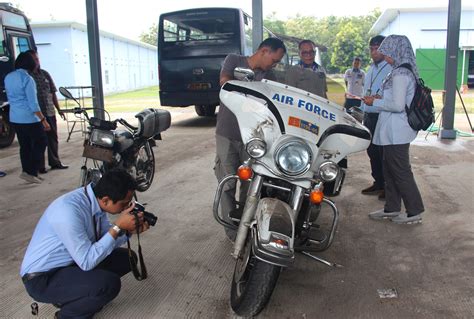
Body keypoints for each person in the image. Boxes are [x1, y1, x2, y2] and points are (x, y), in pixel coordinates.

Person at [20, 169, 149, 318]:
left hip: (70, 264)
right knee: (108, 284)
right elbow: (87, 261)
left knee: (127, 258)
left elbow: (105, 239)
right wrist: (118, 227)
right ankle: (67, 315)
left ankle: (74, 296)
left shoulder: (94, 200)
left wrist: (128, 231)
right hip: (42, 279)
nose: (127, 208)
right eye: (124, 204)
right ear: (106, 200)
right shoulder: (69, 211)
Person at [215, 38, 286, 232]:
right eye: (274, 60)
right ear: (264, 51)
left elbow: (274, 102)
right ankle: (230, 230)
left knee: (250, 186)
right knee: (227, 183)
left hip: (254, 139)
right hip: (228, 133)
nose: (275, 64)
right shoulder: (234, 61)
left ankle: (245, 229)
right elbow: (225, 84)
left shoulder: (269, 75)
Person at [362, 35, 424, 224]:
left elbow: (397, 105)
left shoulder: (400, 74)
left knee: (401, 171)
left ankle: (414, 212)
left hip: (398, 131)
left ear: (396, 50)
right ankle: (392, 208)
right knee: (389, 170)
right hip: (391, 131)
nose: (383, 54)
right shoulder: (398, 71)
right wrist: (378, 98)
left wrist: (375, 101)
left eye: (387, 50)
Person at [4, 52, 50, 184]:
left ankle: (29, 172)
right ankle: (32, 170)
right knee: (41, 142)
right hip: (29, 118)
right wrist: (43, 120)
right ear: (30, 63)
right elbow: (33, 104)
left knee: (25, 146)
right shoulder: (27, 79)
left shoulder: (9, 77)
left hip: (15, 117)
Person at [359, 36, 392, 200]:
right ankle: (378, 182)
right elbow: (367, 90)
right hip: (369, 114)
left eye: (377, 48)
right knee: (371, 150)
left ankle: (388, 186)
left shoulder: (391, 68)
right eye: (371, 48)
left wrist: (379, 98)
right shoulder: (371, 68)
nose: (373, 52)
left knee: (383, 152)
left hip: (383, 115)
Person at [27, 50, 68, 173]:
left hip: (49, 112)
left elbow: (53, 93)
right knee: (39, 140)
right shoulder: (27, 77)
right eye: (34, 59)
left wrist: (59, 109)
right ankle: (40, 166)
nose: (37, 62)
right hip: (36, 115)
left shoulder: (45, 74)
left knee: (52, 138)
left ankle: (55, 162)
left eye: (37, 59)